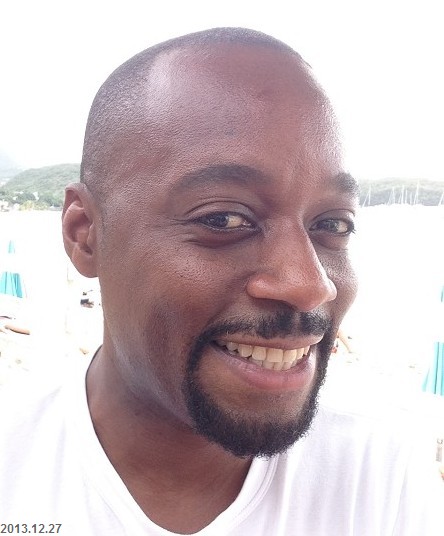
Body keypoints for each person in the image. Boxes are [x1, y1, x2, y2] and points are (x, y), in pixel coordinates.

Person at [0, 28, 442, 535]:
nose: (310, 286)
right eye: (224, 219)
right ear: (85, 233)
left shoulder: (378, 472)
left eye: (333, 225)